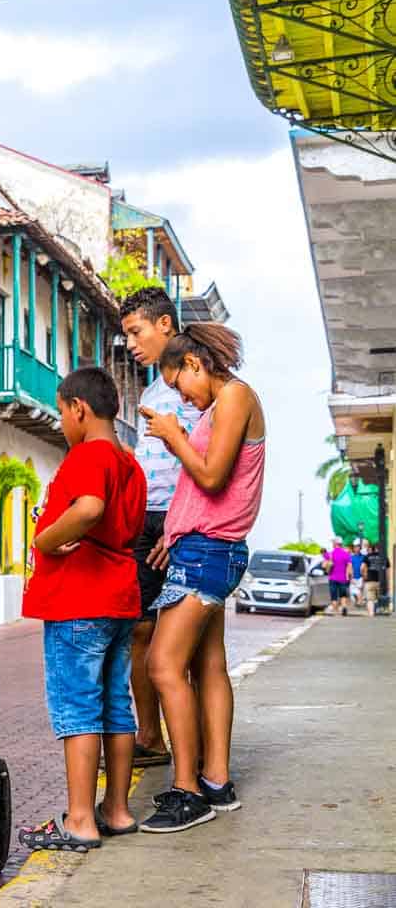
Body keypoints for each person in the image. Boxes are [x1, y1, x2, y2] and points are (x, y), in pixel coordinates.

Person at [139, 323, 265, 833]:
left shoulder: (235, 396)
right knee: (208, 665)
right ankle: (216, 780)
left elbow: (212, 476)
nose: (182, 399)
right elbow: (208, 482)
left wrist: (173, 436)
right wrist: (174, 531)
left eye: (179, 385)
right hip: (202, 547)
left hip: (209, 552)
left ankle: (187, 791)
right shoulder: (218, 408)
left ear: (195, 364)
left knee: (162, 665)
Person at [18, 367, 147, 852]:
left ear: (79, 409)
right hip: (118, 597)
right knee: (115, 705)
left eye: (61, 412)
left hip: (80, 599)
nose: (61, 423)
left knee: (78, 709)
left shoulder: (89, 454)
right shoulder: (128, 463)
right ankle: (115, 808)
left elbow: (90, 508)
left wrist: (46, 538)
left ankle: (79, 819)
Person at [119, 286, 202, 767]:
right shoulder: (153, 389)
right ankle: (150, 738)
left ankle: (197, 757)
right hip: (144, 522)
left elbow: (202, 461)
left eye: (137, 331)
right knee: (139, 633)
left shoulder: (195, 386)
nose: (131, 343)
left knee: (183, 649)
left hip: (180, 523)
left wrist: (180, 526)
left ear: (165, 325)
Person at [324, 538, 352, 616]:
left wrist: (327, 567)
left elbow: (324, 564)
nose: (332, 544)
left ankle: (336, 611)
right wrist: (349, 577)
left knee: (334, 596)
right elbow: (349, 566)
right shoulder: (346, 554)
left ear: (335, 544)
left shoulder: (330, 554)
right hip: (343, 578)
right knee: (343, 595)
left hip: (332, 578)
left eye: (333, 543)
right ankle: (344, 607)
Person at [365, 544, 389, 616]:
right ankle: (381, 611)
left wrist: (365, 575)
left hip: (370, 580)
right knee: (381, 597)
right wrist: (387, 581)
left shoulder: (368, 556)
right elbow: (387, 571)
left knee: (370, 599)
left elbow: (362, 567)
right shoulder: (385, 557)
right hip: (381, 581)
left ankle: (371, 613)